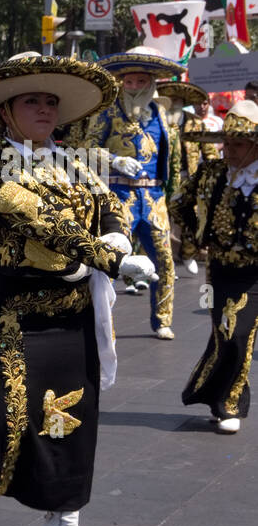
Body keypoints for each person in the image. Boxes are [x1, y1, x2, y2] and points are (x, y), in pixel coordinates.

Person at [0, 54, 159, 526]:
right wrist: (115, 259)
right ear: (7, 111)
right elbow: (50, 227)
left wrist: (118, 231)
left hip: (76, 313)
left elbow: (108, 202)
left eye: (50, 100)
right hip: (17, 314)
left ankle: (65, 524)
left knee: (73, 419)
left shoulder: (75, 159)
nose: (43, 108)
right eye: (31, 100)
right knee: (7, 419)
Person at [71, 46, 181, 339]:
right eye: (129, 82)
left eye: (140, 82)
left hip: (155, 200)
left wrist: (176, 193)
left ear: (151, 83)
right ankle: (97, 320)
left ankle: (162, 320)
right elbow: (85, 148)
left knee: (164, 262)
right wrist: (114, 160)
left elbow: (173, 158)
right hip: (119, 196)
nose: (133, 87)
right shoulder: (107, 112)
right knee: (108, 260)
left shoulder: (162, 114)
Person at [172, 99, 258, 434]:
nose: (229, 150)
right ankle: (218, 396)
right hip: (218, 268)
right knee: (224, 332)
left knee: (239, 332)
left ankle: (230, 404)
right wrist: (196, 237)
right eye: (227, 143)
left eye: (238, 144)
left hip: (254, 271)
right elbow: (179, 204)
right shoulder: (211, 172)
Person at [159, 79, 218, 277]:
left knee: (190, 219)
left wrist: (212, 174)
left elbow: (210, 152)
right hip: (164, 179)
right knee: (162, 221)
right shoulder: (158, 122)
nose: (173, 103)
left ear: (182, 102)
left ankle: (188, 254)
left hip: (189, 179)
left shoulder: (195, 122)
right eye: (170, 100)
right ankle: (168, 261)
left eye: (177, 100)